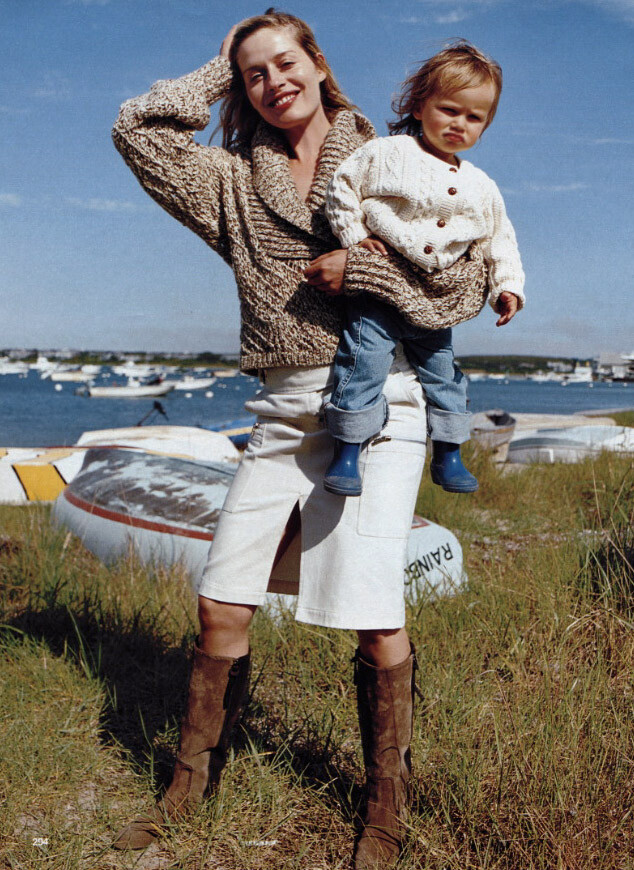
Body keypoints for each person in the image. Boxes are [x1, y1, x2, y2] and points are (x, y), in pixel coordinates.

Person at [110, 11, 486, 867]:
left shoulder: (398, 160)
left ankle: (384, 807)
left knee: (372, 614)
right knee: (221, 601)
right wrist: (218, 67)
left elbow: (467, 281)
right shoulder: (228, 183)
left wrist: (368, 268)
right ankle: (188, 792)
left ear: (318, 63)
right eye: (254, 74)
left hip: (381, 411)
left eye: (285, 61)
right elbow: (136, 131)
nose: (273, 81)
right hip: (280, 411)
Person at [322, 42, 525, 497]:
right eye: (448, 110)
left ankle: (449, 451)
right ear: (418, 106)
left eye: (474, 117)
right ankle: (347, 449)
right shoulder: (387, 153)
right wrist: (354, 238)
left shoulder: (481, 186)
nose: (459, 124)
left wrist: (507, 287)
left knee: (444, 373)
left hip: (437, 300)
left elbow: (500, 240)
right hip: (381, 288)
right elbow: (342, 187)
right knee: (362, 362)